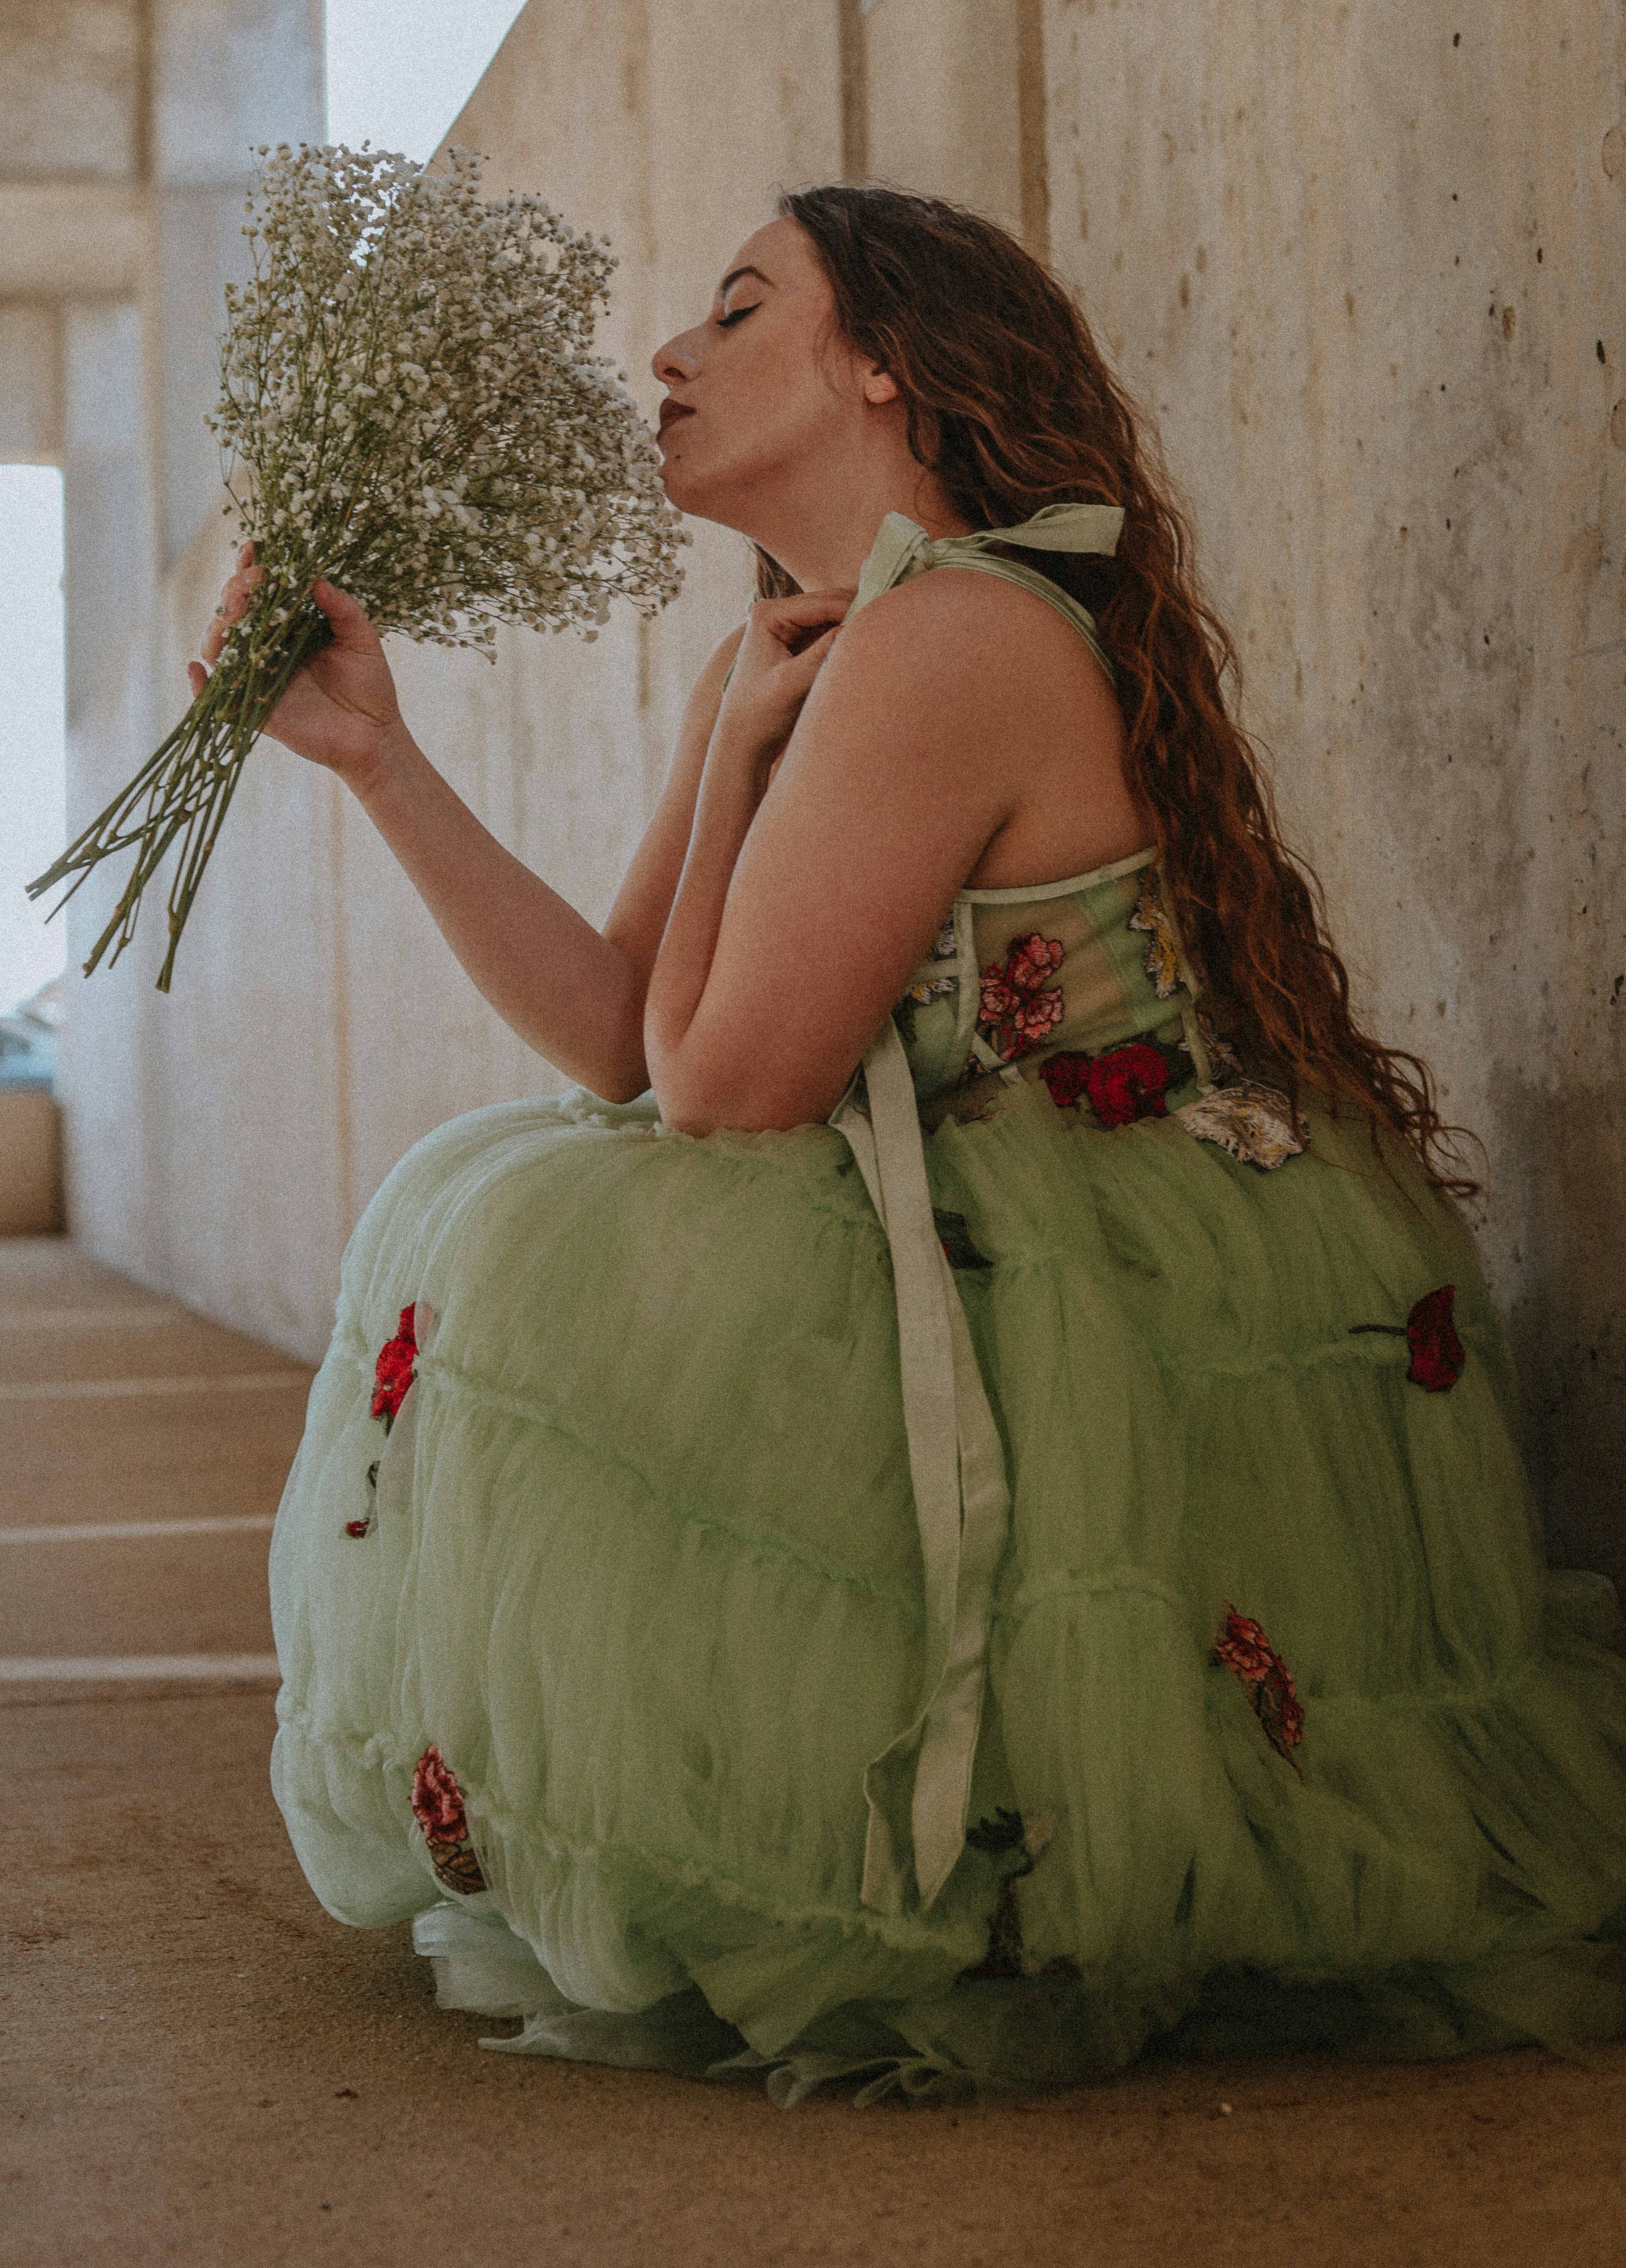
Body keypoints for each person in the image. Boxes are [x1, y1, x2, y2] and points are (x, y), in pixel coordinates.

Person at [210, 184, 1626, 2104]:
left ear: (886, 364)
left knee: (569, 1267)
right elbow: (629, 1036)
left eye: (734, 308)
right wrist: (380, 754)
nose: (668, 355)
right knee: (549, 1222)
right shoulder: (799, 651)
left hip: (1095, 1252)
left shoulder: (950, 636)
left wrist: (725, 781)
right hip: (935, 1200)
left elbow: (716, 1092)